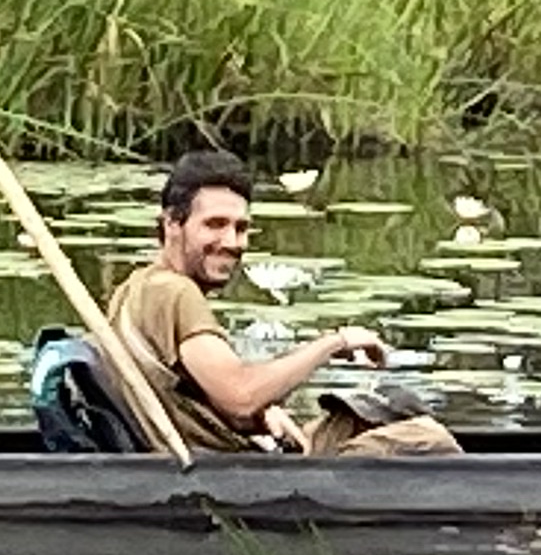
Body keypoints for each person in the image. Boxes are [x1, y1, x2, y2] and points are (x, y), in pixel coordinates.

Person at [106, 152, 460, 456]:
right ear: (171, 224)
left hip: (240, 450)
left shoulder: (134, 289)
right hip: (235, 475)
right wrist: (333, 343)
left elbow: (212, 400)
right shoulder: (175, 293)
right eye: (214, 225)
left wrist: (259, 417)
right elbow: (241, 394)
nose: (231, 241)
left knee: (380, 413)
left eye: (241, 228)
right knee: (430, 439)